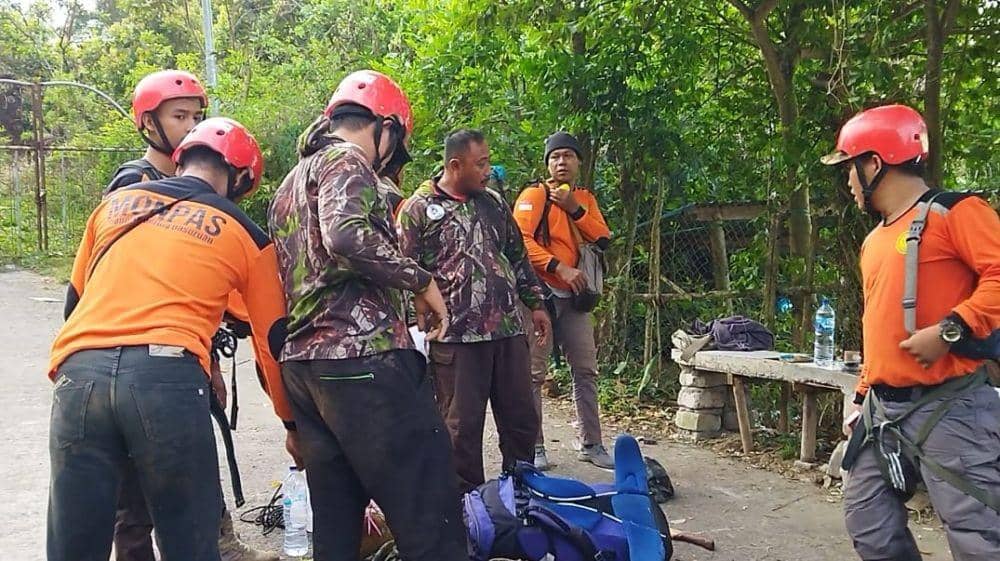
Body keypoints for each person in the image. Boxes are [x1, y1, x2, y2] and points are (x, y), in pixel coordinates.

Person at [47, 117, 295, 561]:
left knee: (73, 545)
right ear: (239, 178)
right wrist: (293, 424)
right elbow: (270, 342)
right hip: (166, 381)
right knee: (189, 542)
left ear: (181, 160)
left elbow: (75, 302)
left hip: (78, 376)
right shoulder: (242, 231)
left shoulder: (113, 207)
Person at [268, 70, 468, 561]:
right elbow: (345, 236)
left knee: (337, 523)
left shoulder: (289, 184)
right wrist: (420, 279)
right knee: (429, 506)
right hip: (363, 359)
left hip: (306, 370)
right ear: (386, 128)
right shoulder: (347, 159)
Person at [104, 69, 278, 561]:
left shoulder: (200, 190)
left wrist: (213, 365)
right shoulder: (133, 186)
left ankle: (219, 541)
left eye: (195, 116)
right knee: (135, 487)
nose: (189, 125)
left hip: (185, 349)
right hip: (131, 350)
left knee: (191, 456)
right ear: (148, 124)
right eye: (179, 116)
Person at [822, 104, 1000, 560]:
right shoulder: (874, 240)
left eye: (850, 168)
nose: (847, 182)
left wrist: (951, 329)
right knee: (869, 523)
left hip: (952, 405)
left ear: (874, 164)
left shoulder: (956, 212)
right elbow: (875, 327)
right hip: (883, 410)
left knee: (978, 536)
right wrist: (862, 394)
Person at [397, 128, 551, 493]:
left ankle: (521, 497)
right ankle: (471, 510)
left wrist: (536, 303)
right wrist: (411, 333)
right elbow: (402, 273)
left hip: (508, 332)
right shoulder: (418, 210)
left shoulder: (493, 202)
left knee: (521, 421)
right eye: (480, 163)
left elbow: (517, 257)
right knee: (461, 429)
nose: (487, 169)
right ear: (455, 165)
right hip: (456, 339)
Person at [512, 131, 613, 470]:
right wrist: (559, 267)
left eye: (568, 156)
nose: (561, 162)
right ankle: (534, 447)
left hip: (574, 298)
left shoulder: (584, 198)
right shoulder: (534, 195)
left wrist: (575, 209)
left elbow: (602, 238)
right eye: (555, 157)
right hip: (537, 295)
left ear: (579, 162)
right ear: (547, 163)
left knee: (585, 368)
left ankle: (593, 443)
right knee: (533, 373)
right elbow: (520, 240)